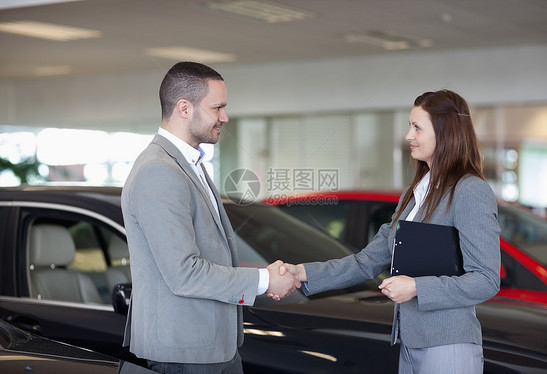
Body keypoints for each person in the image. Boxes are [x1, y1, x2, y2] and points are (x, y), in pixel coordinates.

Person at [277, 89, 501, 374]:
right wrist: (301, 274)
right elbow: (367, 261)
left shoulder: (469, 191)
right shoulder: (414, 194)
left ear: (446, 133)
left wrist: (417, 287)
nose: (408, 136)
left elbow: (485, 279)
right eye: (410, 126)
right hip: (409, 341)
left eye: (417, 127)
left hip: (447, 345)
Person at [121, 61, 299, 374]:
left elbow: (211, 253)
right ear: (184, 108)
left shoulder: (189, 163)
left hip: (210, 347)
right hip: (185, 351)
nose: (225, 117)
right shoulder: (159, 172)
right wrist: (265, 280)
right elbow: (185, 273)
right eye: (218, 107)